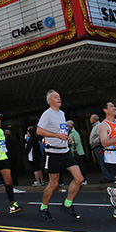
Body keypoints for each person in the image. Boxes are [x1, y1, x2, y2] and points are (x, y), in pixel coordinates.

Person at [37, 90, 85, 221]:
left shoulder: (62, 114)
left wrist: (66, 138)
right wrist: (57, 136)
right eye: (55, 97)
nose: (59, 99)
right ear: (50, 101)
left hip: (65, 151)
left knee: (79, 178)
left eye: (59, 96)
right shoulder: (47, 114)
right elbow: (39, 130)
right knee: (54, 183)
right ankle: (43, 207)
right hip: (53, 153)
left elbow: (61, 131)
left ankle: (67, 204)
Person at [88, 114, 114, 183]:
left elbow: (101, 136)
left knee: (103, 162)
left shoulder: (98, 126)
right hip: (96, 146)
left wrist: (95, 142)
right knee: (102, 162)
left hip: (98, 146)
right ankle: (108, 176)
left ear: (94, 119)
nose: (90, 120)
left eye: (91, 119)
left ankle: (108, 177)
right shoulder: (95, 126)